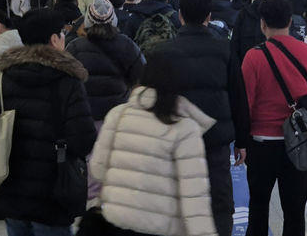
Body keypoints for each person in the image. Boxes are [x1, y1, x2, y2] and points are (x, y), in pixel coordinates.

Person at [0, 8, 97, 236]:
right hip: (53, 192)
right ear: (54, 39)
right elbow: (84, 139)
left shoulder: (2, 76)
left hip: (12, 191)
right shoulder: (67, 81)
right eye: (62, 33)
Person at [143, 0, 249, 236]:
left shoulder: (161, 53)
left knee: (176, 200)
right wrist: (242, 141)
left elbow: (148, 102)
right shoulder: (224, 49)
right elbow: (238, 96)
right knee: (218, 203)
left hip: (174, 142)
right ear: (209, 16)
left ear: (180, 15)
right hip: (215, 140)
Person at [89, 62, 218, 236]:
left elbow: (97, 169)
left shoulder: (118, 114)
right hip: (160, 227)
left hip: (115, 222)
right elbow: (194, 198)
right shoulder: (185, 128)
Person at [241, 0, 307, 236]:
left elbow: (245, 102)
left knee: (257, 208)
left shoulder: (253, 56)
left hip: (261, 143)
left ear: (262, 24)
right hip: (299, 142)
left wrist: (240, 140)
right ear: (290, 21)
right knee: (295, 211)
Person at [65, 0, 145, 202]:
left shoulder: (75, 47)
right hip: (117, 117)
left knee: (90, 166)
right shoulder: (126, 45)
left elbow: (64, 81)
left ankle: (91, 207)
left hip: (85, 117)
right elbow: (142, 78)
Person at [230, 0, 268, 74]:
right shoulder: (274, 10)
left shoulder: (243, 12)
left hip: (246, 61)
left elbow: (235, 41)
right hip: (269, 61)